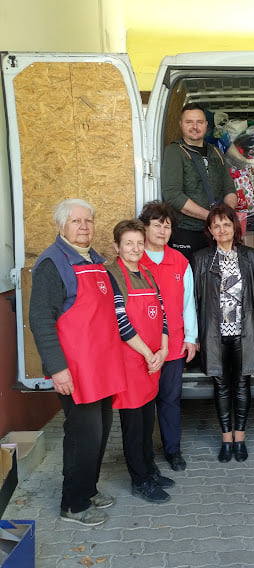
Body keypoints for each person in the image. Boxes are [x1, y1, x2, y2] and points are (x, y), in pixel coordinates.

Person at [29, 199, 127, 526]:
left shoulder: (94, 260)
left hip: (101, 367)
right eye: (76, 221)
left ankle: (88, 488)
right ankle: (72, 503)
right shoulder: (52, 264)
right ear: (61, 226)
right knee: (80, 437)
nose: (84, 226)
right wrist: (57, 369)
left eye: (88, 221)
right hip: (75, 371)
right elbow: (41, 320)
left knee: (99, 433)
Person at [106, 220, 174, 503]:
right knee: (133, 426)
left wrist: (164, 349)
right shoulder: (112, 276)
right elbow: (121, 322)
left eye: (138, 243)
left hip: (152, 362)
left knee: (147, 421)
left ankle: (150, 469)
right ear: (117, 247)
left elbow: (163, 314)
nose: (135, 248)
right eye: (128, 243)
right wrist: (148, 354)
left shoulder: (146, 273)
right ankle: (140, 479)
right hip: (130, 363)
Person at [193, 203, 254, 463]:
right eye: (216, 226)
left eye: (226, 224)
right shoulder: (202, 259)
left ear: (235, 227)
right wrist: (195, 335)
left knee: (242, 384)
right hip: (215, 332)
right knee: (221, 386)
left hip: (244, 331)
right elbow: (195, 299)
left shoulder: (251, 257)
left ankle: (240, 438)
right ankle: (226, 439)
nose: (222, 229)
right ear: (210, 231)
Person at [139, 201, 198, 472]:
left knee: (170, 399)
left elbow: (189, 303)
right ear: (145, 227)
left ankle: (172, 450)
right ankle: (143, 454)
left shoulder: (180, 261)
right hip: (140, 346)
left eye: (167, 226)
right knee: (141, 403)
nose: (162, 231)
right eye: (156, 225)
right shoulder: (135, 260)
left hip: (173, 344)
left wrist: (191, 337)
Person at [161, 102, 237, 263]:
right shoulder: (174, 151)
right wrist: (211, 217)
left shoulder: (215, 151)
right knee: (189, 275)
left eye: (199, 122)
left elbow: (229, 188)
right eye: (189, 122)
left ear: (206, 125)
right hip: (186, 231)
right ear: (181, 124)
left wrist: (226, 216)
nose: (195, 127)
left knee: (215, 274)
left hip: (215, 231)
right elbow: (173, 195)